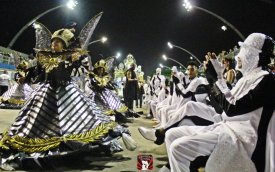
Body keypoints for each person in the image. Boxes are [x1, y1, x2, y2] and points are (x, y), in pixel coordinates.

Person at [0, 13, 136, 170]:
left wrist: (76, 60)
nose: (54, 45)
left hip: (68, 93)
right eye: (53, 42)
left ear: (64, 45)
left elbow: (81, 72)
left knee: (87, 117)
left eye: (57, 42)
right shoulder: (44, 58)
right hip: (47, 94)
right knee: (34, 121)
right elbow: (37, 78)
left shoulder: (71, 58)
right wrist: (30, 72)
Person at [161, 33, 275, 172]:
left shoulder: (267, 80)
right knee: (171, 135)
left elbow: (233, 108)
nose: (238, 56)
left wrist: (216, 79)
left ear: (255, 54)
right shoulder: (247, 77)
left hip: (242, 138)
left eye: (244, 50)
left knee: (178, 148)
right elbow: (221, 108)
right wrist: (215, 77)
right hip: (225, 127)